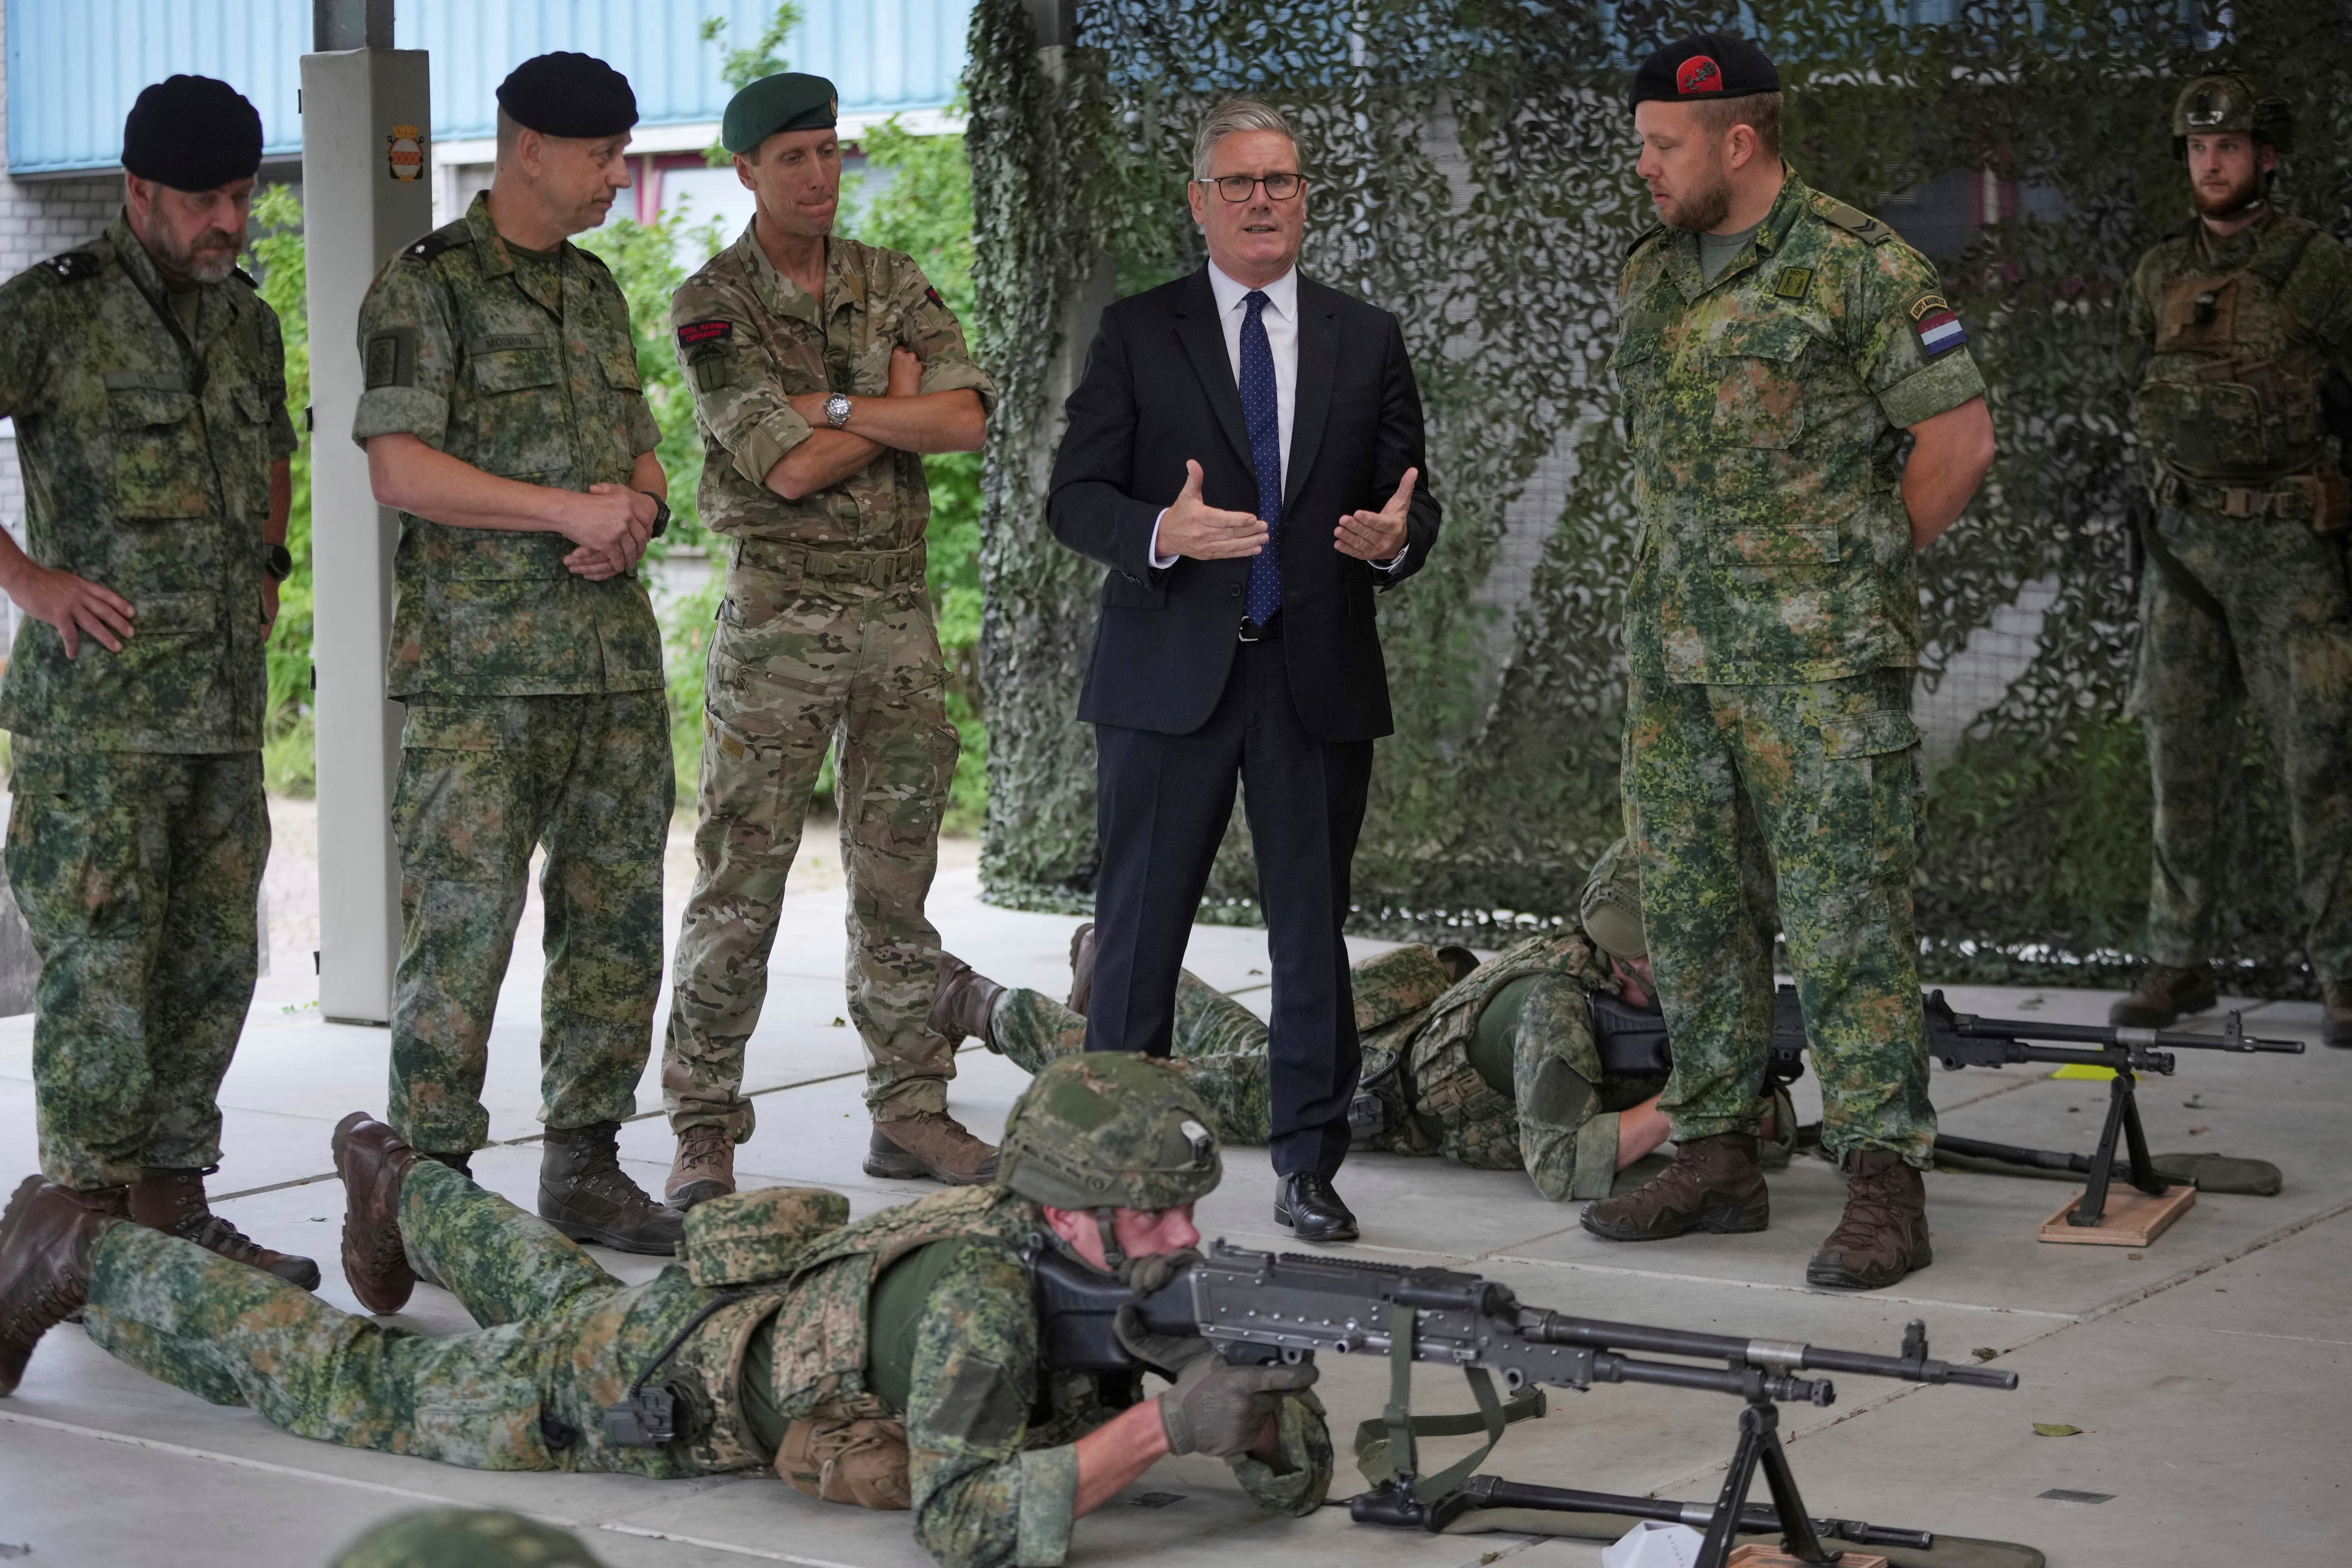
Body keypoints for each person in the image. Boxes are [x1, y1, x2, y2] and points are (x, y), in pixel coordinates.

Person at [0, 1055, 1333, 1568]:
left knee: (562, 1293)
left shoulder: (1069, 1247)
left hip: (704, 1309)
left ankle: (397, 1179)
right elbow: (966, 1520)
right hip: (628, 1393)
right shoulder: (982, 1301)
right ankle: (82, 1250)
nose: (1182, 1238)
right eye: (1152, 1216)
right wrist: (1164, 1434)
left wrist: (1248, 1409)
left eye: (1184, 1210)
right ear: (1059, 1207)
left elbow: (1282, 1476)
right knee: (345, 1375)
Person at [1591, 34, 1996, 1291]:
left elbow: (1960, 439)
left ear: (1739, 142)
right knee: (1696, 910)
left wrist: (1846, 580)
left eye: (1664, 147)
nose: (1645, 167)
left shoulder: (1860, 268)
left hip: (1815, 667)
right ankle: (1715, 1147)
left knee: (1845, 916)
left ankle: (1885, 1174)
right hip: (1677, 659)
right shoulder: (1653, 274)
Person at [1046, 98, 1443, 1245]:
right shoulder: (1137, 330)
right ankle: (1106, 1167)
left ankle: (1309, 1166)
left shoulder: (1366, 336)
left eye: (1281, 181)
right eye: (1240, 184)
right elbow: (1076, 497)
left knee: (1310, 933)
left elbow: (1412, 504)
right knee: (1136, 934)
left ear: (1305, 197)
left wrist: (1397, 543)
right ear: (1200, 202)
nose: (1263, 200)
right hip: (1167, 677)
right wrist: (1161, 535)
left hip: (1313, 681)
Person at [354, 53, 678, 1252]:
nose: (616, 176)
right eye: (602, 156)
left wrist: (635, 515)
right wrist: (564, 513)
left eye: (622, 154)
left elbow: (642, 455)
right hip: (480, 681)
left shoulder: (597, 292)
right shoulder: (423, 287)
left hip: (608, 669)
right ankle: (421, 1186)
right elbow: (400, 469)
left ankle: (585, 1165)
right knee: (462, 929)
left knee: (614, 926)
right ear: (528, 148)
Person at [659, 72, 997, 1204]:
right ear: (746, 172)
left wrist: (836, 407)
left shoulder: (891, 280)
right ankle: (704, 1125)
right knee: (741, 878)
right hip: (778, 618)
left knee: (898, 877)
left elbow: (965, 418)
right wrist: (882, 404)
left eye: (830, 153)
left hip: (896, 613)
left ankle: (911, 1110)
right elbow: (783, 468)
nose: (818, 176)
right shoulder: (712, 302)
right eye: (792, 157)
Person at [0, 75, 315, 1288]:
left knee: (211, 965)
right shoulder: (51, 312)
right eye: (202, 200)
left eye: (241, 196)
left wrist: (273, 568)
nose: (227, 220)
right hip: (101, 725)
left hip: (221, 718)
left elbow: (275, 454)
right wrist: (30, 582)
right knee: (103, 972)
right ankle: (72, 1239)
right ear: (137, 191)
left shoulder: (245, 318)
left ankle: (171, 1214)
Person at [930, 845, 1799, 1200]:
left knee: (1251, 1050)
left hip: (1397, 1031)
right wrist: (1698, 1096)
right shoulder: (1557, 1009)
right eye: (1636, 954)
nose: (1650, 971)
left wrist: (1751, 1097)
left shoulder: (1655, 986)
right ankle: (983, 1005)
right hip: (1372, 1095)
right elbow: (1565, 1165)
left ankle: (1108, 962)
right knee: (1149, 1088)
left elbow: (1761, 1138)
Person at [2111, 74, 2352, 1046]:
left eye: (2231, 147)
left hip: (2292, 548)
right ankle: (2177, 962)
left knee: (2324, 762)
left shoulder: (2316, 267)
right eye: (2199, 148)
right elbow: (2143, 386)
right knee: (2180, 755)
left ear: (2267, 158)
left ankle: (2343, 973)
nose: (2211, 162)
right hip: (2185, 555)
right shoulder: (2158, 271)